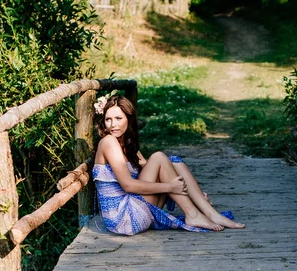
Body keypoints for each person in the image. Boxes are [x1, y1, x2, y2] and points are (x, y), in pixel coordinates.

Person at [92, 95, 245, 235]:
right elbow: (128, 186)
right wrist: (170, 187)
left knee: (173, 162)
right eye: (108, 119)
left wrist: (194, 194)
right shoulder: (108, 142)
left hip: (136, 211)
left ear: (129, 119)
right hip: (123, 219)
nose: (113, 125)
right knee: (159, 157)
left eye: (119, 118)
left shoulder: (125, 143)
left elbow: (151, 168)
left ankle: (210, 214)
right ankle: (193, 214)